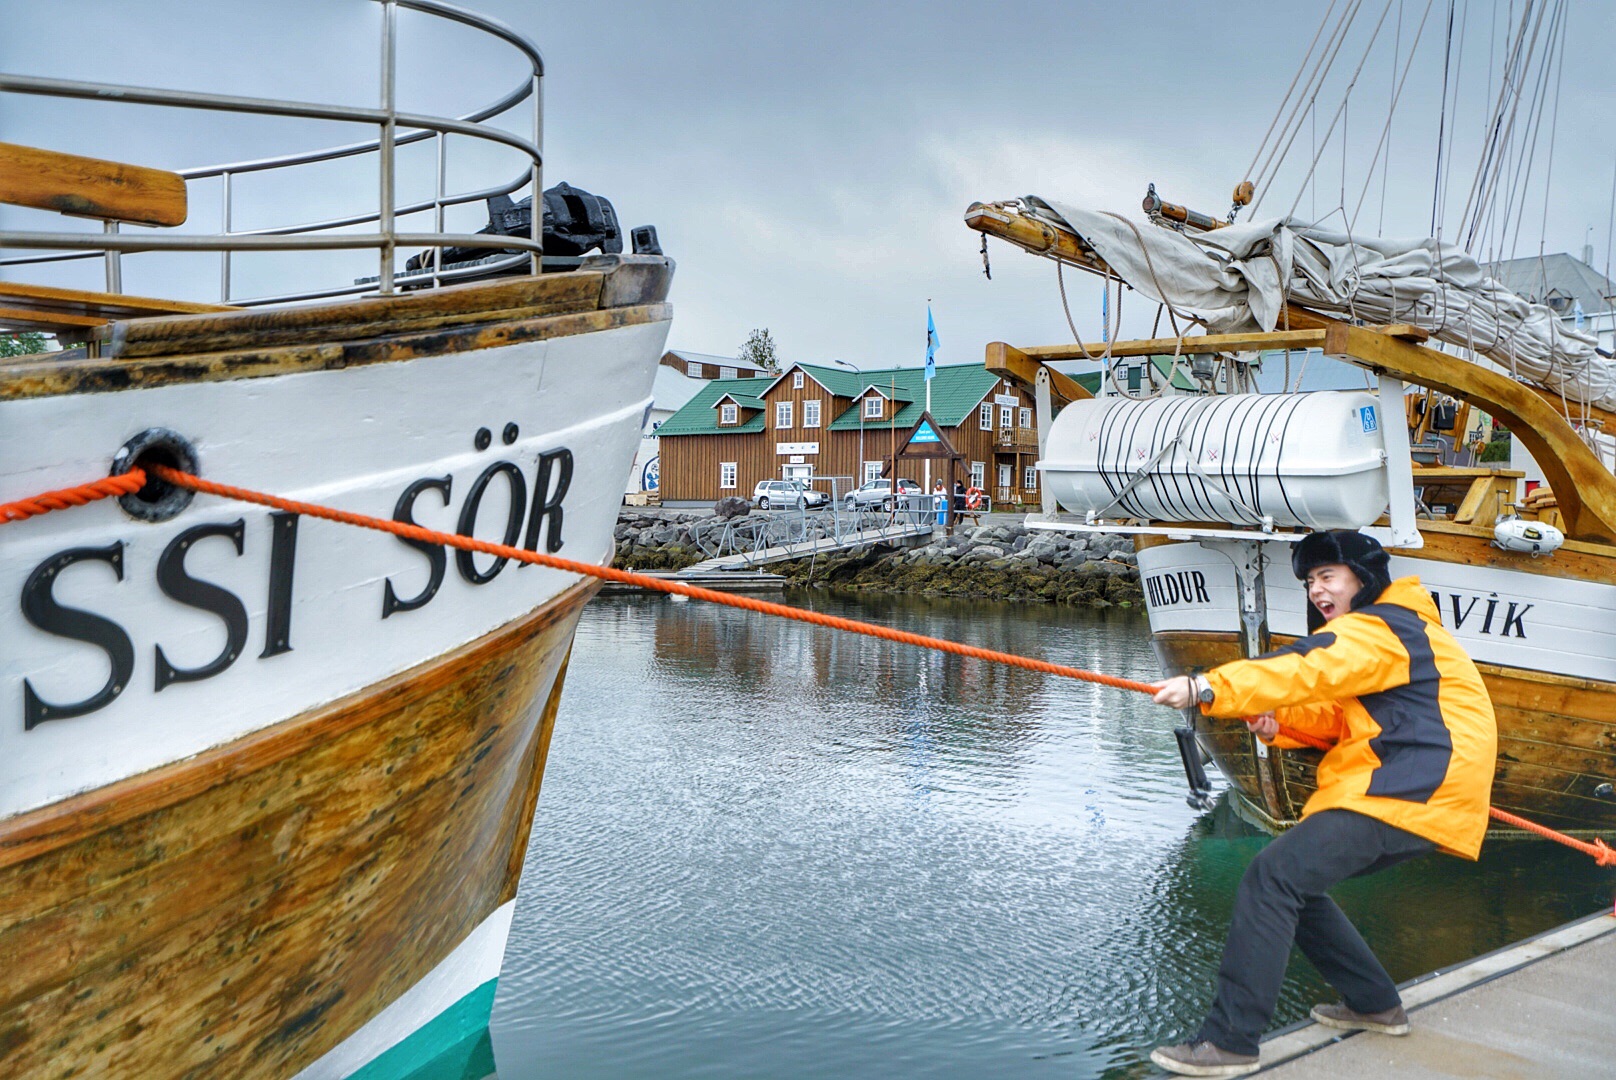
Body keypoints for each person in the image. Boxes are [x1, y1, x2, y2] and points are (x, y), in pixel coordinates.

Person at [1146, 530, 1497, 1077]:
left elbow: (1305, 665)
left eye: (1328, 576)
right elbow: (1341, 717)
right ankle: (1375, 1004)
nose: (1316, 590)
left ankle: (1230, 1041)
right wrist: (1279, 721)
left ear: (1365, 577)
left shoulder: (1384, 627)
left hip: (1410, 787)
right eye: (1310, 581)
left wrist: (1209, 687)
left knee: (1271, 877)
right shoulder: (1397, 633)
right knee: (1294, 883)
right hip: (1423, 788)